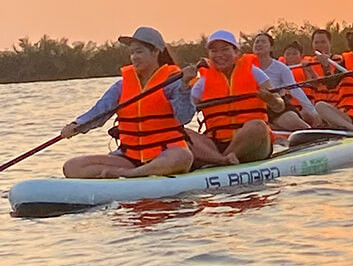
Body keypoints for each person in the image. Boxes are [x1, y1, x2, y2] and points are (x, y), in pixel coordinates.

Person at [59, 26, 195, 178]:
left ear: (156, 51)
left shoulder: (173, 81)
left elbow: (184, 117)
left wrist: (184, 86)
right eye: (132, 53)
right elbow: (99, 112)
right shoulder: (122, 85)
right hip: (128, 157)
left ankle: (131, 175)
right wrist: (77, 125)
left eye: (139, 51)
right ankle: (129, 173)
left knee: (184, 156)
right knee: (72, 167)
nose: (134, 57)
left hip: (164, 153)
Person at [187, 30, 283, 166]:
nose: (219, 55)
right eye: (214, 51)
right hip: (217, 144)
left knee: (258, 125)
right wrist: (183, 87)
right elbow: (185, 114)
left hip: (253, 143)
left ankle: (219, 161)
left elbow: (280, 106)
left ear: (236, 52)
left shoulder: (254, 72)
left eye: (225, 49)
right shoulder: (202, 81)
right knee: (183, 133)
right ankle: (222, 160)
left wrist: (271, 100)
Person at [250, 32, 321, 129]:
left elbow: (295, 89)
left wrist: (313, 112)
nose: (259, 44)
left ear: (271, 48)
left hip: (277, 106)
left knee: (298, 125)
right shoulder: (246, 68)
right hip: (253, 107)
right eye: (257, 42)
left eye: (263, 42)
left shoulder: (281, 68)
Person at [302, 28, 341, 106]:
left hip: (336, 105)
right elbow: (313, 85)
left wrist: (325, 66)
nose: (319, 45)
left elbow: (332, 85)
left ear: (330, 43)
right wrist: (309, 71)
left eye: (323, 42)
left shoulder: (339, 60)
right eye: (316, 42)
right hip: (316, 105)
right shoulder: (309, 62)